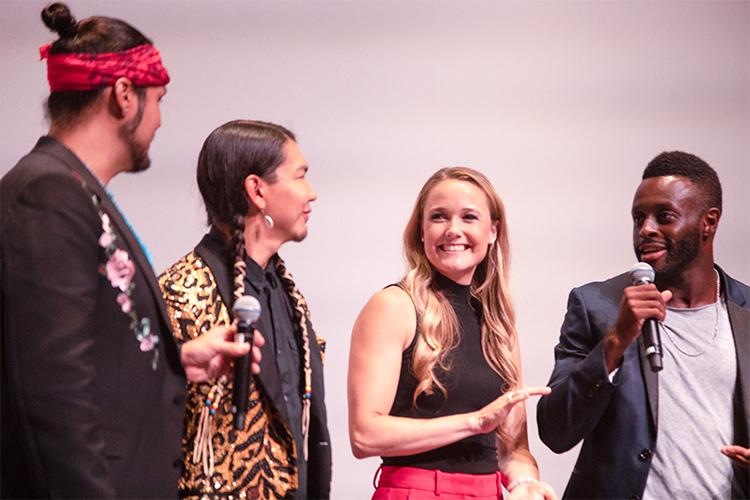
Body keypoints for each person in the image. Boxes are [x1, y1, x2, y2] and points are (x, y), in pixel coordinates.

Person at [0, 4, 259, 497]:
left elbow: (94, 352)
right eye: (157, 99)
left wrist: (178, 361)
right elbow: (51, 389)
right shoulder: (47, 195)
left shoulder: (74, 191)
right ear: (124, 96)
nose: (159, 119)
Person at [537, 151, 750, 499]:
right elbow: (555, 429)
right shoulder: (597, 306)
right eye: (639, 218)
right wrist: (616, 341)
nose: (646, 229)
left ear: (708, 222)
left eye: (664, 217)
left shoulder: (746, 312)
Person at [348, 167, 556, 499]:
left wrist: (525, 484)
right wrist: (474, 422)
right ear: (421, 231)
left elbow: (514, 450)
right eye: (439, 217)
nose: (453, 230)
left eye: (469, 217)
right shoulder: (393, 306)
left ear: (492, 231)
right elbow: (364, 435)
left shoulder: (499, 324)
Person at [159, 120, 331, 499]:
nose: (312, 193)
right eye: (300, 177)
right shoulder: (182, 292)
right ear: (257, 191)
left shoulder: (286, 293)